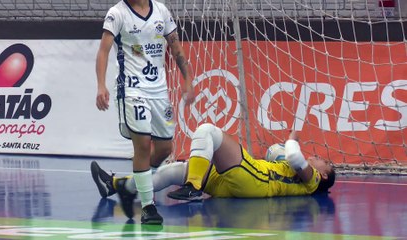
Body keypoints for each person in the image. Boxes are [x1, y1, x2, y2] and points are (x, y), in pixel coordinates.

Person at [91, 123, 336, 219]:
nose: (317, 157)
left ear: (323, 175)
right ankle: (114, 184)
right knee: (174, 172)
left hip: (255, 180)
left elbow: (293, 154)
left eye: (324, 161)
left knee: (207, 131)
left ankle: (194, 187)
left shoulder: (312, 180)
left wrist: (292, 138)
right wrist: (281, 148)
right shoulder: (297, 176)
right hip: (240, 183)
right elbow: (278, 153)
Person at [93, 0, 195, 225]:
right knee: (142, 144)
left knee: (165, 149)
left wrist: (188, 79)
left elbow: (176, 49)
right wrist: (101, 85)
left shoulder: (161, 10)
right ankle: (148, 207)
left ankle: (126, 187)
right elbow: (103, 52)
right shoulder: (117, 13)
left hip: (159, 90)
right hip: (132, 90)